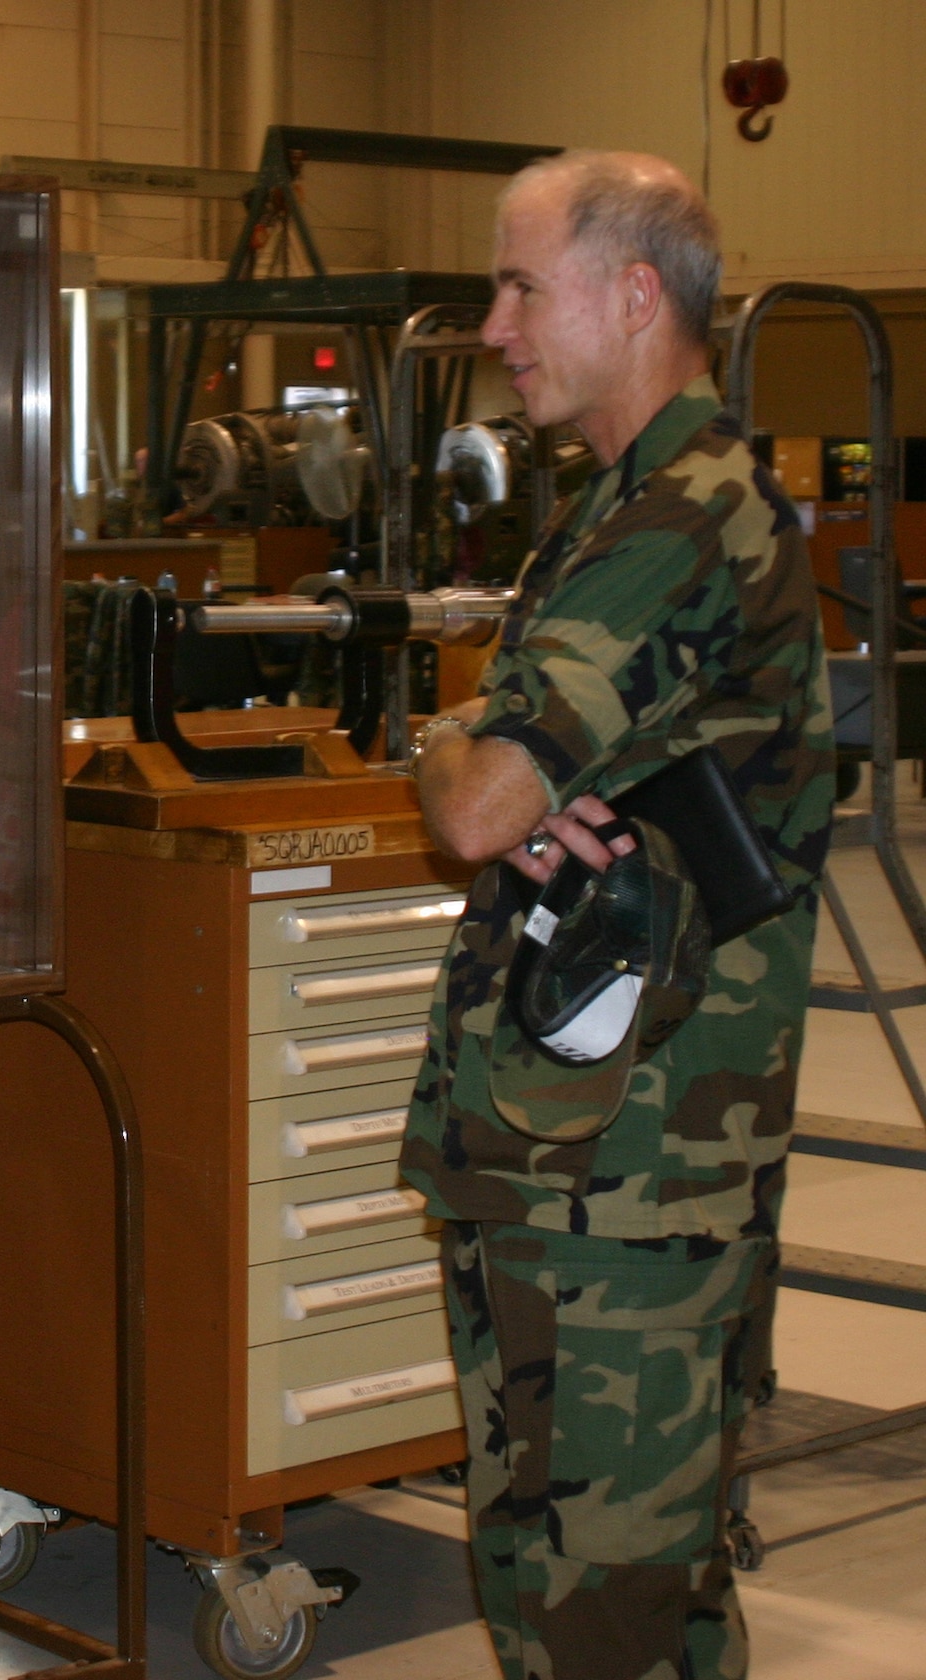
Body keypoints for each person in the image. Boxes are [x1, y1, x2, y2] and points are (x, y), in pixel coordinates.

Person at [401, 151, 833, 1680]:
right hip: (581, 1145)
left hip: (630, 1176)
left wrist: (441, 739)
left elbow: (478, 805)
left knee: (604, 1609)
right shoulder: (625, 507)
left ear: (635, 294)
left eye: (523, 286)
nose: (499, 325)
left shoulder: (681, 517)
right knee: (585, 1592)